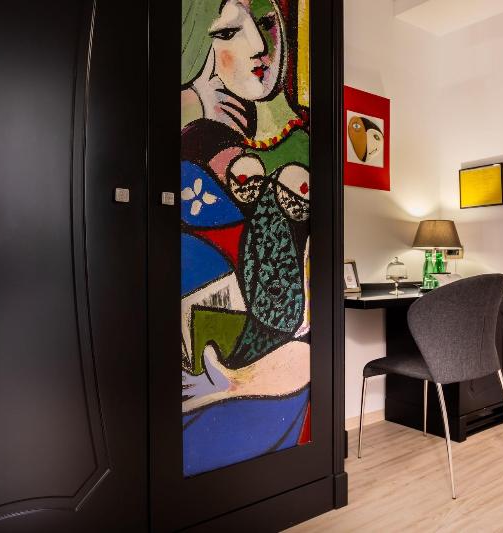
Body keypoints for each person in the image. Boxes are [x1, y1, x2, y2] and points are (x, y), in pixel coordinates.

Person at [179, 0, 313, 476]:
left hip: (273, 393)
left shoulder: (300, 145)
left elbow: (298, 329)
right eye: (227, 32)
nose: (259, 46)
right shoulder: (195, 160)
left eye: (266, 23)